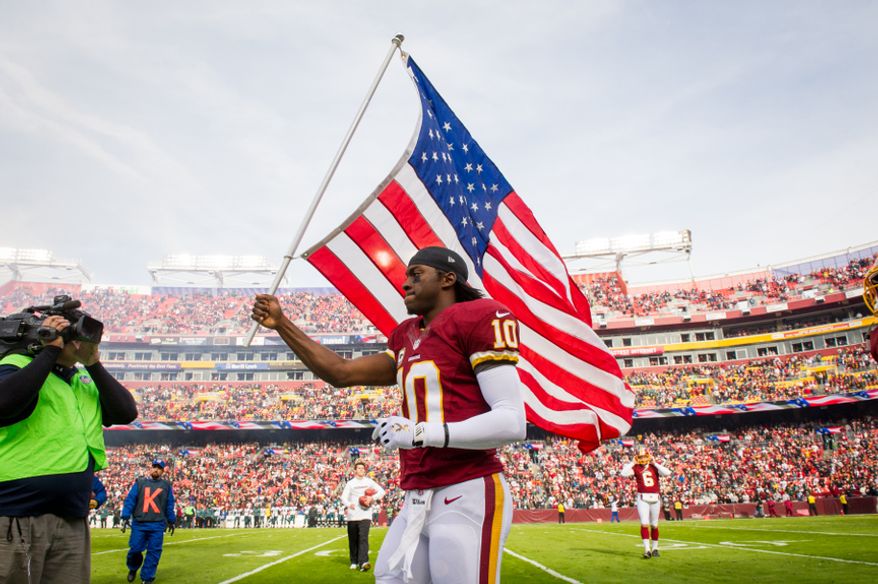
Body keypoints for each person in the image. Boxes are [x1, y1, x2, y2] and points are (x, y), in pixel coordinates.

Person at [252, 246, 527, 583]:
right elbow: (341, 372)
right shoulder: (405, 336)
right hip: (417, 494)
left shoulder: (478, 317)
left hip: (467, 485)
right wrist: (282, 324)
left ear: (448, 279)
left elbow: (512, 421)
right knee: (390, 577)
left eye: (416, 275)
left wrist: (421, 432)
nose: (405, 284)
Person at [0, 301, 137, 582]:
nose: (81, 346)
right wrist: (49, 349)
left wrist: (94, 364)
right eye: (76, 339)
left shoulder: (81, 377)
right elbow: (4, 404)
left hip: (71, 516)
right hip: (17, 512)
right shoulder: (15, 366)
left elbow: (126, 412)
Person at [121, 460, 176, 583]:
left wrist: (171, 520)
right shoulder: (140, 483)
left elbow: (169, 504)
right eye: (154, 467)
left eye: (159, 468)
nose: (156, 469)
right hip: (139, 523)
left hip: (157, 524)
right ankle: (133, 568)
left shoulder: (166, 486)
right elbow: (130, 500)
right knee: (135, 549)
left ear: (162, 471)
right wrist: (125, 516)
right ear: (150, 469)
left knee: (154, 552)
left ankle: (147, 578)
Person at [621, 447, 672, 559]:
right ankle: (647, 550)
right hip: (642, 497)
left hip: (655, 498)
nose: (643, 459)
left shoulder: (654, 467)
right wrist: (631, 463)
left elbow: (668, 473)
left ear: (648, 456)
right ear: (637, 458)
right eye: (641, 457)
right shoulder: (635, 467)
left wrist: (656, 463)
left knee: (654, 524)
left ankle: (655, 548)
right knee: (644, 523)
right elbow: (623, 473)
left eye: (644, 456)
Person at [341, 461, 386, 571]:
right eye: (359, 468)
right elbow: (343, 497)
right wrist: (349, 504)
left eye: (363, 468)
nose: (361, 470)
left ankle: (364, 562)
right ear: (355, 470)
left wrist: (372, 498)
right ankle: (354, 561)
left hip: (365, 514)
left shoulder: (369, 481)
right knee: (353, 539)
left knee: (363, 538)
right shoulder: (350, 483)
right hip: (352, 515)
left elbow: (382, 491)